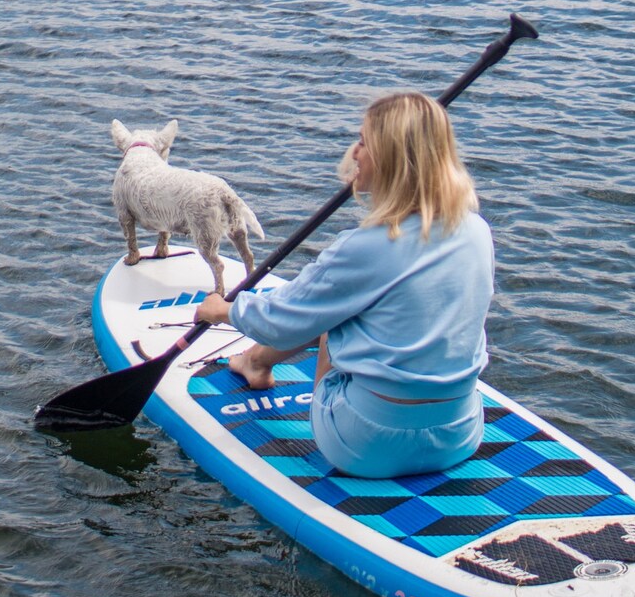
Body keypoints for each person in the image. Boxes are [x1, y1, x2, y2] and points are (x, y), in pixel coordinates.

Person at [196, 90, 494, 479]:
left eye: (364, 142)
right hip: (459, 436)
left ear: (389, 158)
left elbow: (283, 319)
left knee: (334, 317)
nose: (355, 152)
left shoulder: (365, 249)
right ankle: (255, 362)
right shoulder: (477, 231)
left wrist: (224, 310)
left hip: (365, 447)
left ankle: (255, 363)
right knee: (354, 307)